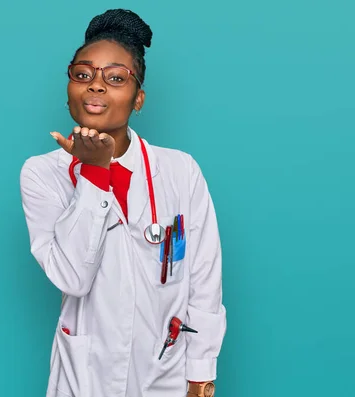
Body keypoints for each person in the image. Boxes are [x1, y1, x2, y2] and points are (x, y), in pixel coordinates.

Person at [19, 9, 226, 397]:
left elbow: (204, 279)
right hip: (85, 376)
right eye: (83, 75)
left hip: (165, 372)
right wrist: (95, 174)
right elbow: (72, 278)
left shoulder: (180, 171)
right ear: (68, 89)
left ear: (139, 98)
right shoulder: (41, 174)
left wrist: (201, 374)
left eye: (115, 78)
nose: (95, 87)